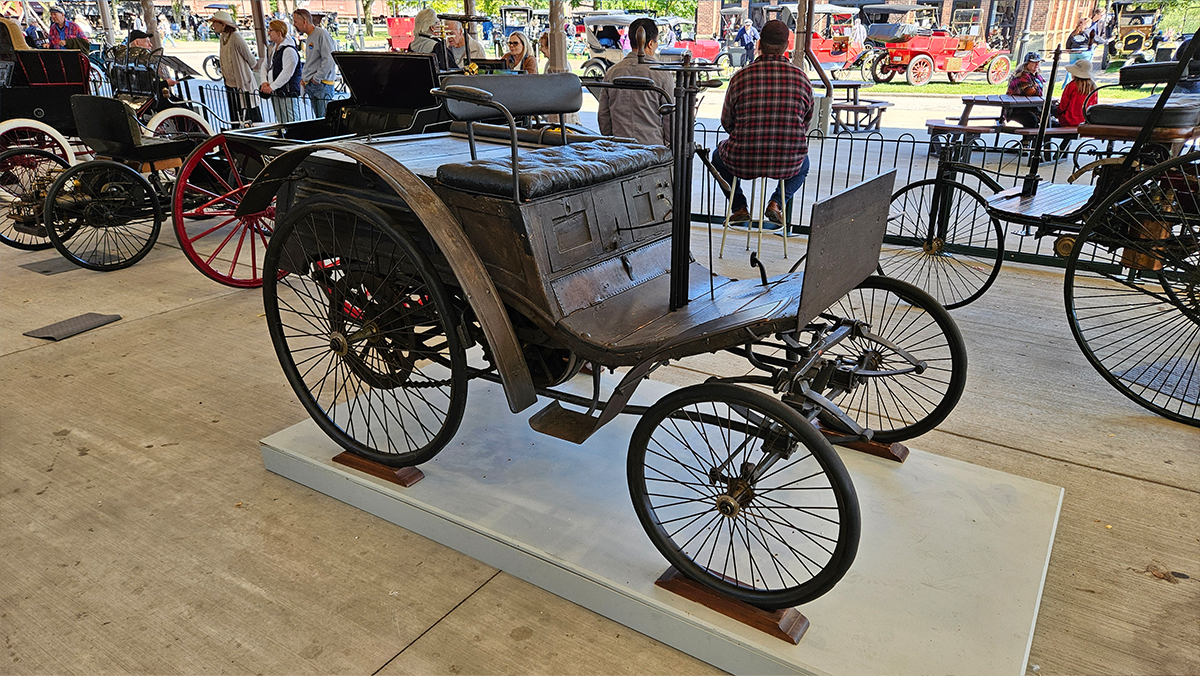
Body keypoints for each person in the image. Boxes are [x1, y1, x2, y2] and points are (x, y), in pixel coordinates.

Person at [712, 20, 812, 226]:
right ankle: (776, 203)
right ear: (786, 46)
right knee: (805, 164)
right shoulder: (802, 79)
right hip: (787, 160)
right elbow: (805, 123)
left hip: (743, 159)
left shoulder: (740, 78)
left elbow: (726, 122)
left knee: (716, 157)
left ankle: (739, 206)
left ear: (759, 44)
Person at [596, 17, 675, 146]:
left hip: (620, 150)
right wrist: (667, 147)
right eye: (656, 42)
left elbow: (604, 117)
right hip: (652, 150)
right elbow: (671, 121)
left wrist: (613, 141)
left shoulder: (612, 72)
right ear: (650, 43)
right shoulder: (663, 75)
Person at [210, 10, 261, 125]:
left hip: (243, 83)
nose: (212, 26)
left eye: (215, 23)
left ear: (223, 25)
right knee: (236, 115)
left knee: (249, 115)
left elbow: (250, 59)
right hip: (230, 83)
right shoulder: (222, 37)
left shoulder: (236, 37)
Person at [294, 9, 337, 118]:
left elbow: (329, 59)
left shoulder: (321, 34)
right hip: (314, 83)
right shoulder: (310, 37)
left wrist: (317, 78)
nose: (294, 25)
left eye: (295, 22)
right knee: (319, 117)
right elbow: (312, 61)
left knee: (324, 118)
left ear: (304, 22)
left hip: (321, 84)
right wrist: (305, 78)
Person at [259, 19, 302, 124]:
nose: (269, 32)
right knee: (281, 121)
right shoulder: (273, 48)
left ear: (279, 33)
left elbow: (287, 73)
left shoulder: (289, 50)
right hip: (277, 92)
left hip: (287, 93)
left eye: (271, 30)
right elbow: (266, 65)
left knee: (291, 121)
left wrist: (272, 87)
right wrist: (264, 81)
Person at [1055, 59, 1098, 127]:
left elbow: (1063, 106)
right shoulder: (1094, 87)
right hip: (1086, 121)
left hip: (1069, 121)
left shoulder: (1071, 86)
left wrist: (1056, 113)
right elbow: (1094, 105)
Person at [1006, 52, 1044, 127]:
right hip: (1017, 110)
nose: (1037, 65)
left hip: (1032, 107)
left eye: (1038, 62)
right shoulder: (1021, 76)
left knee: (1049, 117)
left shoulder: (1036, 76)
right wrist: (1037, 89)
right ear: (1027, 64)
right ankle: (1027, 139)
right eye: (1034, 62)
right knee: (1031, 119)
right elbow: (1028, 91)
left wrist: (1037, 89)